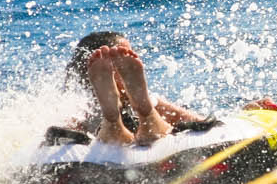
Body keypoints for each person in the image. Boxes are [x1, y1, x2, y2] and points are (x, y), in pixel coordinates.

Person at [64, 31, 206, 146]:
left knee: (103, 137)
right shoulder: (154, 101)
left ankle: (112, 122)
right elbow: (200, 123)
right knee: (161, 127)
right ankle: (147, 115)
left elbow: (65, 140)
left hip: (107, 147)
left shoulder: (83, 109)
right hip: (153, 141)